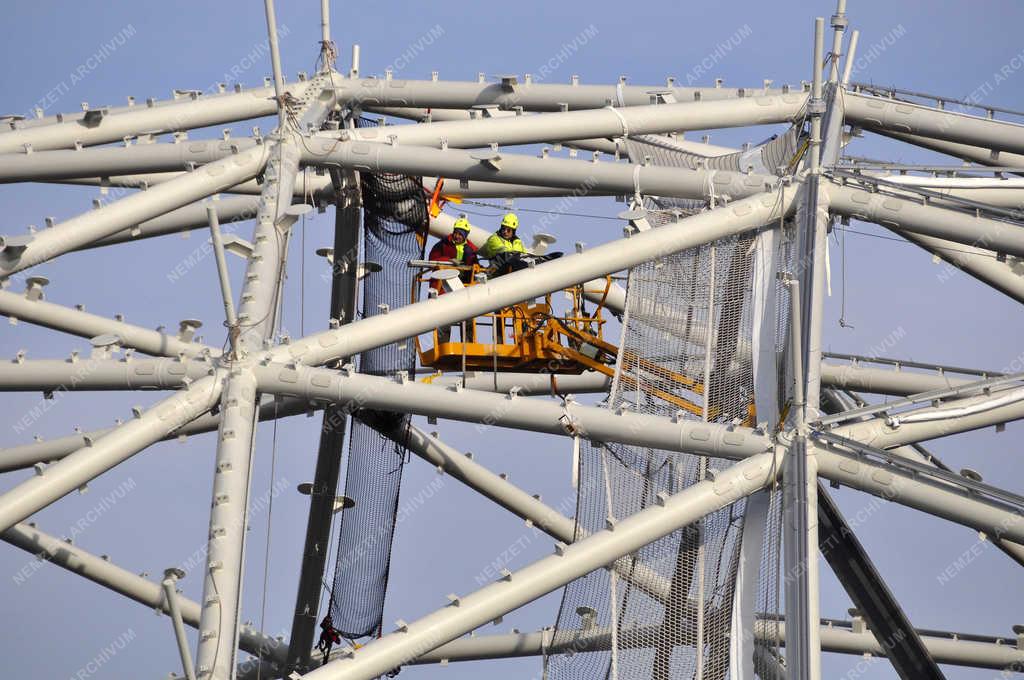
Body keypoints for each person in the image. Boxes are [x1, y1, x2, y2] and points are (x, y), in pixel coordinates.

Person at [428, 217, 478, 343]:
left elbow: (475, 266)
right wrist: (448, 261)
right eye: (456, 232)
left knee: (467, 316)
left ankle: (469, 344)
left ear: (465, 235)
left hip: (463, 287)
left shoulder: (470, 249)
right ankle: (442, 345)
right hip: (444, 287)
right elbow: (432, 260)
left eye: (460, 234)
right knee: (445, 316)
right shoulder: (443, 245)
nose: (457, 236)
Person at [479, 212, 562, 275]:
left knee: (522, 257)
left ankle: (541, 260)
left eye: (508, 230)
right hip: (499, 268)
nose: (505, 232)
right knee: (507, 256)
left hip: (515, 268)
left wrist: (527, 256)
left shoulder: (517, 242)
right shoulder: (494, 239)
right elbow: (503, 251)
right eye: (503, 229)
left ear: (513, 231)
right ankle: (536, 262)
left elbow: (523, 253)